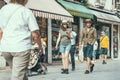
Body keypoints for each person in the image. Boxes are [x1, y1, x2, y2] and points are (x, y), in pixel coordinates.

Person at [0, 0, 42, 80]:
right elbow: (35, 33)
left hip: (6, 49)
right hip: (21, 48)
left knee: (20, 73)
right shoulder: (25, 11)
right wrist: (40, 46)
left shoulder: (3, 10)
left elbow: (1, 31)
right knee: (18, 76)